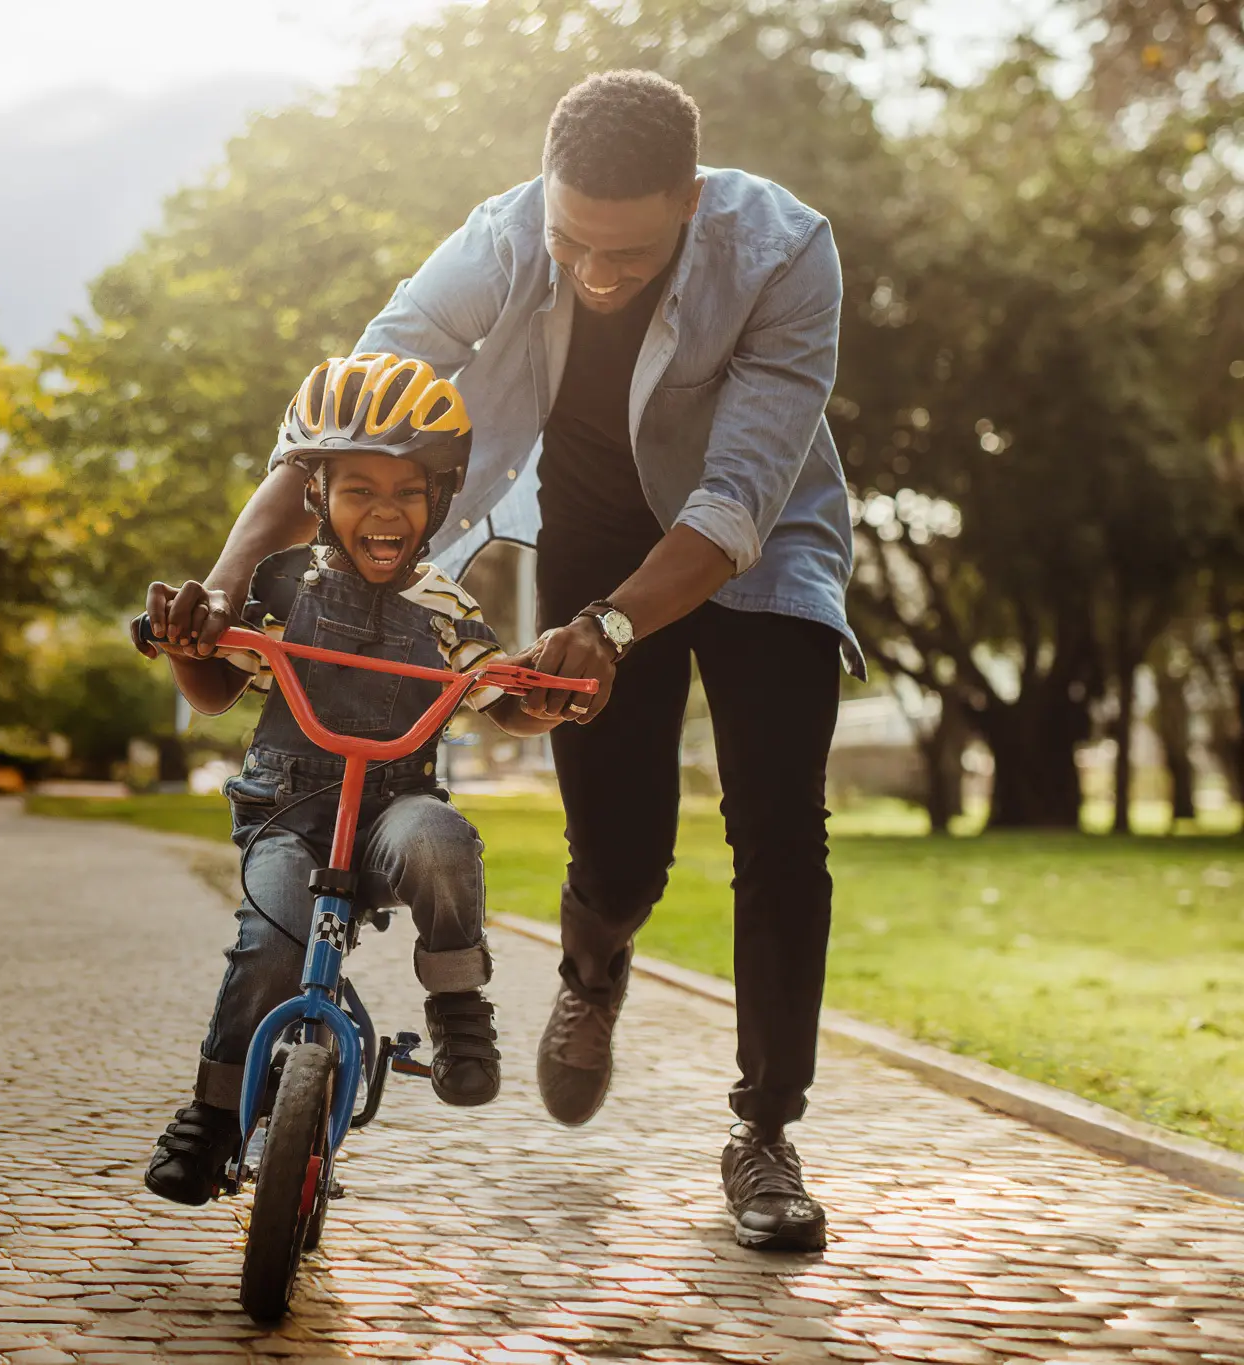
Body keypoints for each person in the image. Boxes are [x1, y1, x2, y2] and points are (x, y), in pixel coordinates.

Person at [153, 71, 859, 1252]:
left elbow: (736, 496)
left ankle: (765, 1133)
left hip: (757, 540)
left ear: (689, 200)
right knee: (622, 851)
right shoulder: (499, 236)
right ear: (545, 191)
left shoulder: (784, 253)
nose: (593, 273)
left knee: (779, 826)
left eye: (626, 255)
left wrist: (617, 629)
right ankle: (594, 965)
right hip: (593, 532)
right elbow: (345, 417)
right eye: (572, 241)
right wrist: (226, 581)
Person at [140, 353, 566, 1208]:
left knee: (441, 841)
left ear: (439, 501)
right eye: (360, 488)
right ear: (317, 497)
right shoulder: (278, 589)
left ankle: (456, 1007)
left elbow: (496, 697)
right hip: (288, 813)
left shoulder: (446, 605)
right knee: (272, 942)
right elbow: (220, 690)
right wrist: (190, 647)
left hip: (390, 813)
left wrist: (544, 698)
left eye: (409, 492)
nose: (385, 511)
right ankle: (214, 1112)